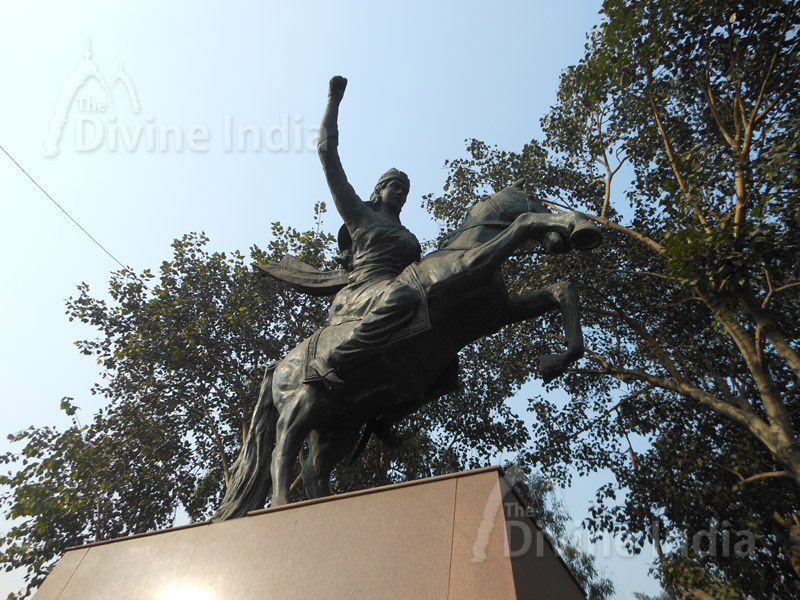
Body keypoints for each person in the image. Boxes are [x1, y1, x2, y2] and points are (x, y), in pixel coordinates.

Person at [304, 76, 422, 390]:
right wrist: (334, 100)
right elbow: (326, 152)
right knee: (403, 296)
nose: (401, 193)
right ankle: (332, 359)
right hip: (363, 291)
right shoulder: (359, 214)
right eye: (394, 186)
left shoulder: (407, 234)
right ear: (378, 190)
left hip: (392, 285)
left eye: (405, 190)